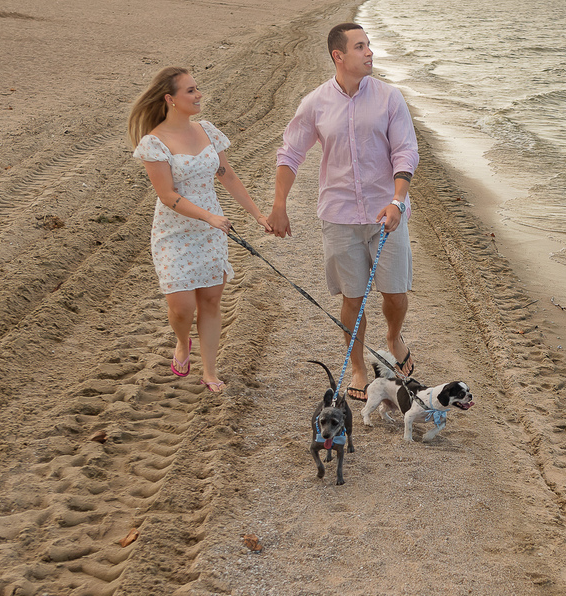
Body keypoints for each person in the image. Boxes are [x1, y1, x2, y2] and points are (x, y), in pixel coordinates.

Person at [268, 22, 419, 400]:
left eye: (369, 45)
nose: (369, 52)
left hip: (388, 214)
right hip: (339, 216)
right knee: (352, 299)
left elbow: (405, 151)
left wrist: (397, 200)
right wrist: (279, 205)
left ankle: (393, 337)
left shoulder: (389, 97)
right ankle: (357, 367)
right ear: (338, 55)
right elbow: (290, 153)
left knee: (394, 293)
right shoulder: (315, 103)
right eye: (360, 47)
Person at [128, 67, 272, 393]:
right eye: (191, 90)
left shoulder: (207, 130)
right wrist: (208, 217)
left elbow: (227, 174)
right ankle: (182, 342)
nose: (199, 95)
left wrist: (257, 214)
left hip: (211, 231)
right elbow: (167, 195)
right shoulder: (154, 143)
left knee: (210, 300)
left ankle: (209, 371)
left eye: (197, 88)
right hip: (174, 232)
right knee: (181, 307)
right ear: (170, 99)